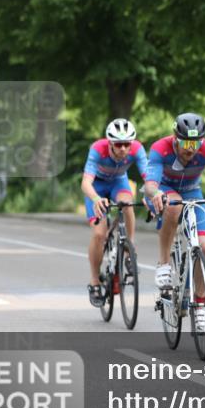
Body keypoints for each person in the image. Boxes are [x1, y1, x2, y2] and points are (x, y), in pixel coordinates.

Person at [144, 113, 205, 332]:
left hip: (192, 191)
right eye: (186, 143)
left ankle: (200, 303)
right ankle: (164, 263)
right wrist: (155, 193)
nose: (191, 148)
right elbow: (150, 184)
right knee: (173, 206)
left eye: (196, 143)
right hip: (164, 190)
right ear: (175, 138)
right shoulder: (160, 148)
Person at [81, 119, 148, 307]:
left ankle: (129, 249)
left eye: (127, 144)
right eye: (118, 144)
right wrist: (96, 199)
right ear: (110, 143)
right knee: (99, 234)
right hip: (96, 187)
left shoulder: (137, 149)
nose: (123, 149)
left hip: (118, 182)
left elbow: (150, 178)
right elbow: (85, 183)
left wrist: (151, 194)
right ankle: (95, 281)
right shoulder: (97, 149)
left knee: (127, 204)